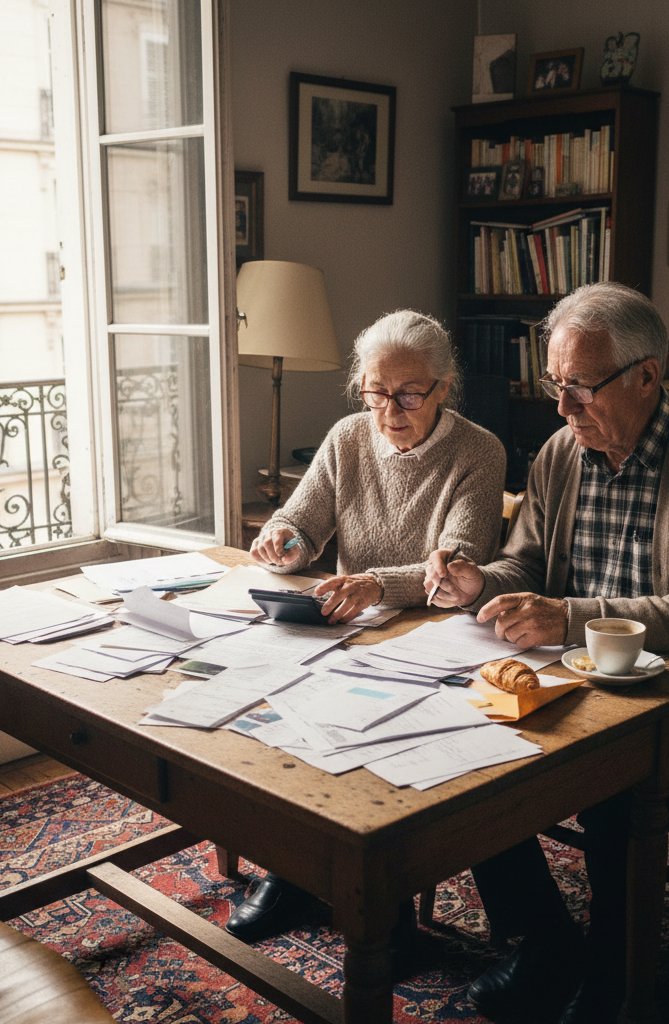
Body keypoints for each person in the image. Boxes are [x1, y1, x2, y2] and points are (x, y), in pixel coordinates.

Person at [425, 282, 669, 1023]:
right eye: (556, 384)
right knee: (463, 747)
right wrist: (481, 581)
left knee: (616, 791)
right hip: (571, 685)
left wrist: (571, 617)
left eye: (579, 386)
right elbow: (526, 566)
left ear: (646, 375)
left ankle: (615, 978)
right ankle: (548, 943)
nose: (562, 407)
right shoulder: (559, 454)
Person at [228, 308, 507, 943]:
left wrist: (378, 583)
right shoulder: (348, 436)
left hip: (434, 638)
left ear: (443, 388)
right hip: (347, 627)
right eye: (376, 392)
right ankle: (291, 873)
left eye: (409, 394)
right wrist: (283, 541)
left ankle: (386, 905)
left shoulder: (478, 450)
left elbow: (457, 562)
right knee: (273, 708)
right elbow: (302, 522)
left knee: (374, 730)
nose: (389, 410)